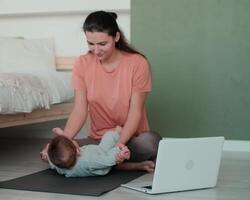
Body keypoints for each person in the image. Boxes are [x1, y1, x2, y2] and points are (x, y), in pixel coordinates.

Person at [41, 10, 161, 173]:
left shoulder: (138, 63)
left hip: (129, 140)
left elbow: (135, 114)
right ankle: (119, 164)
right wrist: (64, 141)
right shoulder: (82, 64)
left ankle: (104, 162)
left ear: (116, 37)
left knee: (151, 143)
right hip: (98, 142)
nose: (96, 51)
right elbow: (79, 110)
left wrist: (119, 146)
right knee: (53, 152)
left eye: (102, 44)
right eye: (91, 44)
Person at [45, 126, 132, 177]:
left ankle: (116, 136)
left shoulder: (60, 166)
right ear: (77, 151)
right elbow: (106, 161)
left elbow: (52, 163)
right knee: (109, 137)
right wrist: (119, 156)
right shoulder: (89, 161)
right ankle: (118, 133)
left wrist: (47, 155)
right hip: (101, 156)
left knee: (107, 138)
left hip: (94, 153)